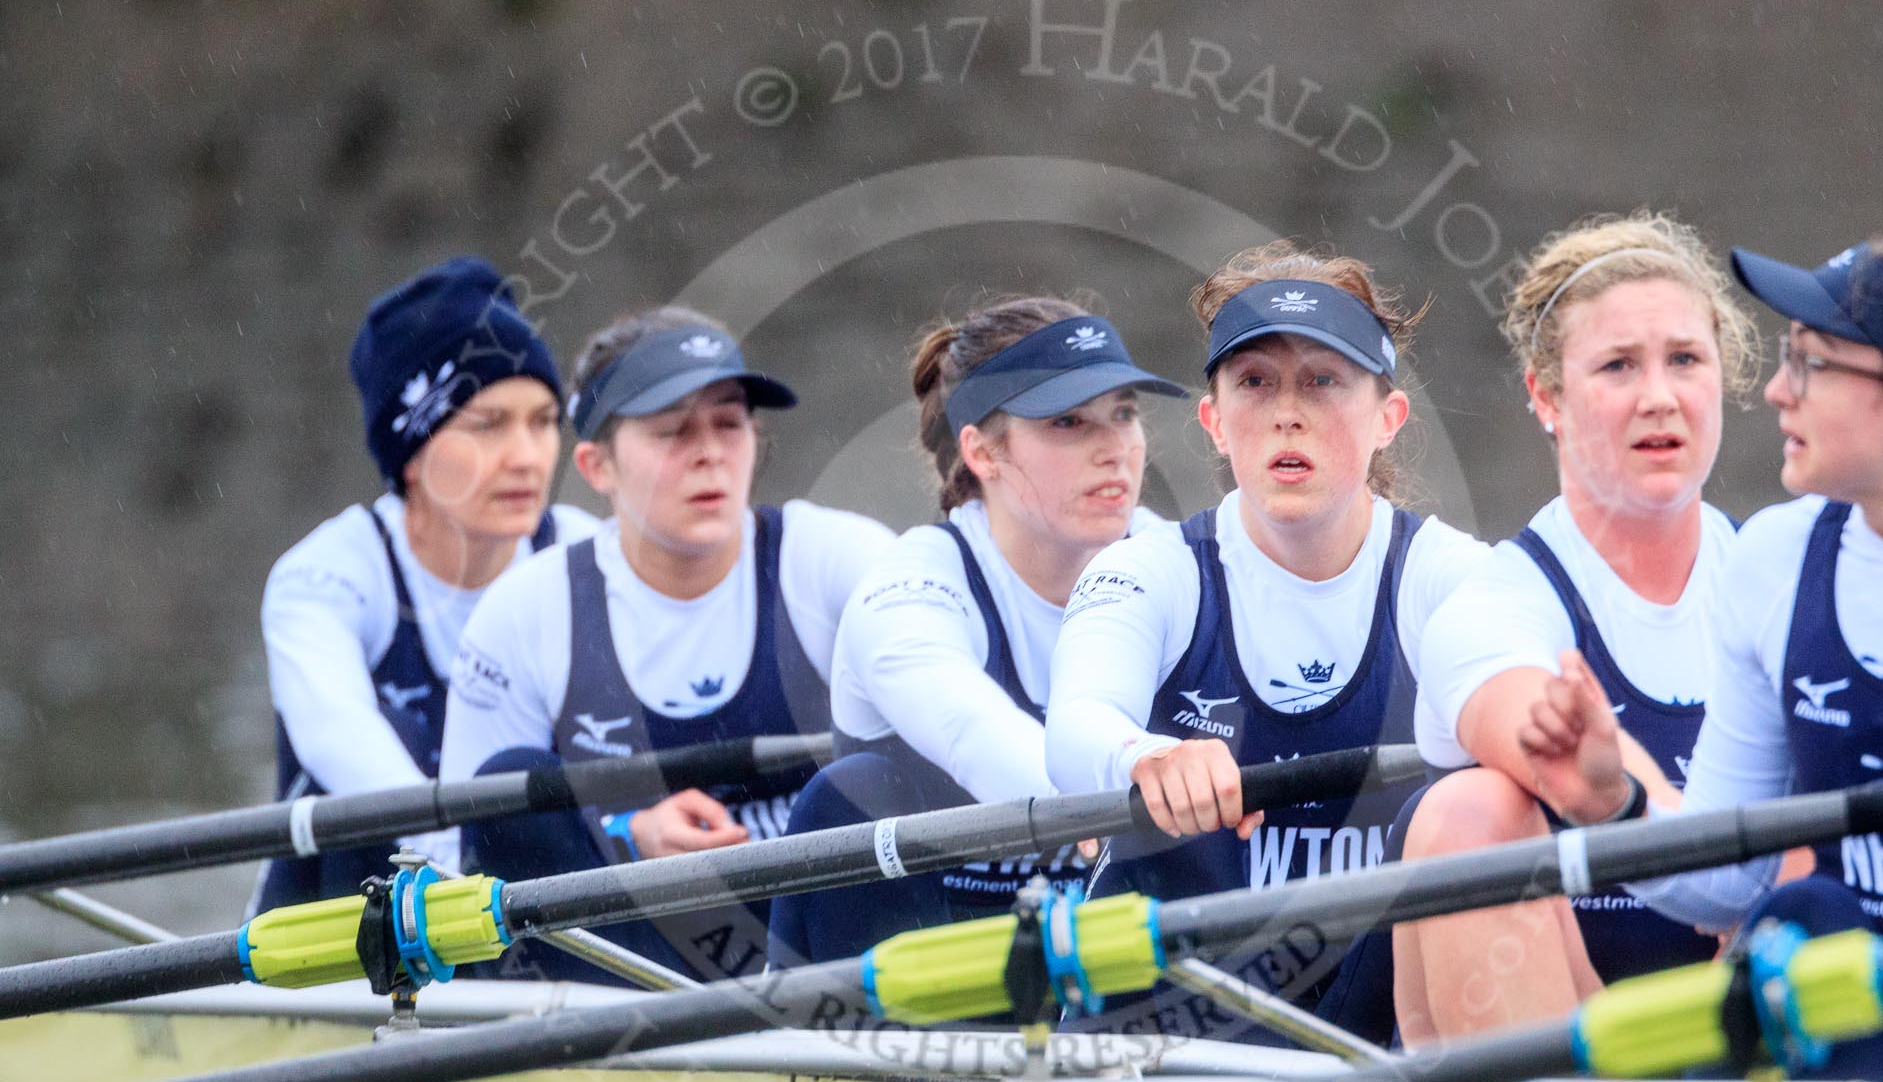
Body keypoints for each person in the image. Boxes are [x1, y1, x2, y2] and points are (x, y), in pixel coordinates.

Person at [1544, 234, 1883, 1082]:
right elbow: (1730, 885)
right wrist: (1611, 804)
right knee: (1805, 910)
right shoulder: (1774, 562)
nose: (1774, 390)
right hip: (1865, 1037)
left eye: (1810, 363)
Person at [1045, 242, 1486, 1044]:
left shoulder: (1453, 575)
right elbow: (1076, 726)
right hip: (1181, 1028)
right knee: (1163, 829)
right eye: (1255, 383)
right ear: (1214, 422)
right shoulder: (1150, 571)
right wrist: (1146, 758)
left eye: (1323, 380)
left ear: (1388, 419)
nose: (1288, 411)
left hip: (1372, 1022)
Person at [442, 303, 893, 984]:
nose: (710, 451)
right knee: (510, 791)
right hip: (622, 965)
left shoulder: (838, 562)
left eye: (728, 421)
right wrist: (626, 837)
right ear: (597, 467)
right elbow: (461, 863)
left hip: (814, 943)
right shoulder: (525, 614)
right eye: (672, 431)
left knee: (873, 780)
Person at [1388, 213, 1757, 1045]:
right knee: (1468, 811)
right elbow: (1560, 760)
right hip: (1562, 1030)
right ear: (1545, 396)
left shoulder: (1774, 579)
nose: (1659, 396)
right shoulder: (1497, 603)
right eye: (1618, 366)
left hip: (1735, 1027)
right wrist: (1732, 880)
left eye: (1685, 361)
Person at [767, 298, 1185, 967]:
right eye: (1070, 421)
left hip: (1108, 946)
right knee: (854, 791)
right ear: (983, 452)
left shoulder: (1182, 563)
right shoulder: (908, 590)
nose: (1114, 448)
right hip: (929, 955)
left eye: (1125, 413)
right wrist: (1148, 771)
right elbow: (977, 739)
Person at [253, 256, 597, 913]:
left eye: (544, 420)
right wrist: (458, 861)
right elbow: (335, 730)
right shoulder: (327, 575)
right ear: (411, 451)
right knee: (393, 736)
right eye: (488, 424)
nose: (527, 456)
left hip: (518, 929)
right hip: (354, 925)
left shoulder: (584, 553)